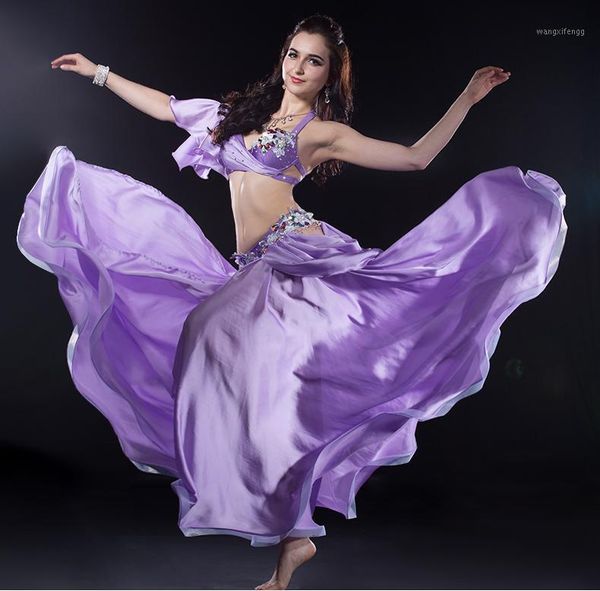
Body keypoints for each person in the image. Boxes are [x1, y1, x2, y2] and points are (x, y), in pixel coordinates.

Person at [17, 13, 567, 591]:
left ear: (329, 74)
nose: (300, 67)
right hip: (251, 267)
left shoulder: (320, 133)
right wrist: (98, 72)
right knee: (262, 396)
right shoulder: (233, 118)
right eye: (294, 55)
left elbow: (415, 158)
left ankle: (281, 509)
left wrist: (468, 97)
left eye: (314, 61)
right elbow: (166, 107)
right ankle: (293, 538)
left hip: (295, 255)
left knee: (208, 332)